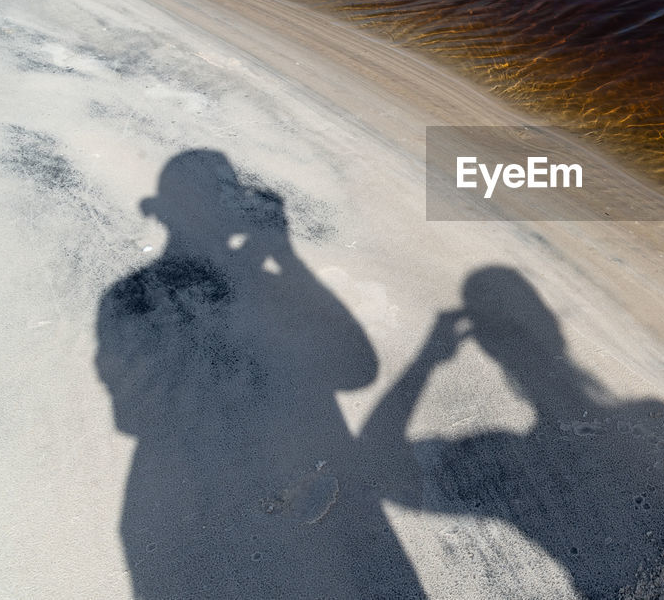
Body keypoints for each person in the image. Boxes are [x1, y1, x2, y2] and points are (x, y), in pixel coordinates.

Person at [360, 266, 664, 598]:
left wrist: (428, 357)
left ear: (483, 348)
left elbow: (378, 468)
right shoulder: (655, 418)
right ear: (553, 327)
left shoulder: (510, 461)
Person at [96, 150, 423, 599]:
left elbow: (131, 416)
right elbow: (357, 369)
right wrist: (283, 258)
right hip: (224, 506)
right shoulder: (262, 294)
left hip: (167, 503)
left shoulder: (125, 297)